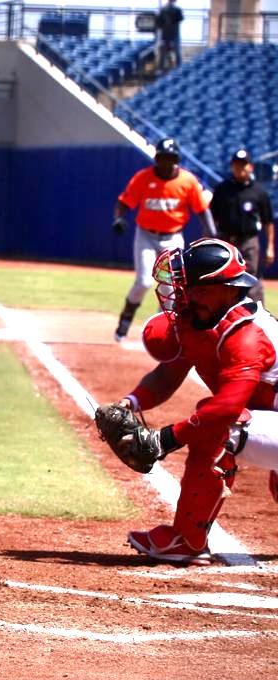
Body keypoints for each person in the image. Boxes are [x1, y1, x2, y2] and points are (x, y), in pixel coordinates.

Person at [109, 238, 278, 565]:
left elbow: (228, 407)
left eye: (195, 287)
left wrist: (165, 439)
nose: (185, 295)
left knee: (222, 425)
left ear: (228, 289)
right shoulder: (200, 318)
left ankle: (186, 540)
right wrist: (129, 403)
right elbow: (167, 375)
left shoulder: (247, 335)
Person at [111, 138, 215, 342]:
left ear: (176, 160)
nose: (166, 162)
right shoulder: (143, 178)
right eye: (163, 157)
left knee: (170, 289)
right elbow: (124, 202)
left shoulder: (187, 181)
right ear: (156, 158)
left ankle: (162, 333)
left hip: (173, 237)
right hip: (146, 236)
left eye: (171, 158)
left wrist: (211, 230)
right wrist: (118, 218)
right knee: (143, 281)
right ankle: (125, 321)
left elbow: (202, 209)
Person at [209, 148, 274, 303]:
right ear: (232, 166)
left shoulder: (258, 192)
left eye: (243, 164)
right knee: (222, 278)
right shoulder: (222, 189)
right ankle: (222, 318)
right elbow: (212, 215)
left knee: (252, 280)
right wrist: (212, 237)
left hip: (248, 241)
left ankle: (259, 317)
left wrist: (270, 246)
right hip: (226, 240)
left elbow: (268, 221)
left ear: (250, 167)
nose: (240, 168)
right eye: (237, 165)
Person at [155, 0, 183, 71]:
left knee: (174, 52)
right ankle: (162, 68)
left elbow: (180, 19)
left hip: (171, 34)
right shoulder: (165, 10)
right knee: (165, 52)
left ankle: (177, 68)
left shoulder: (176, 10)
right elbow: (158, 23)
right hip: (168, 35)